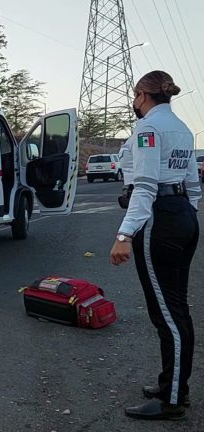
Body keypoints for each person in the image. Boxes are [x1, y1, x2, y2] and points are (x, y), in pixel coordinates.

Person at [109, 71, 201, 420]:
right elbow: (193, 184)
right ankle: (173, 385)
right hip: (181, 216)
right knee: (176, 308)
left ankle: (172, 400)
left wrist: (124, 235)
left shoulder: (147, 128)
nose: (134, 104)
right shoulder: (182, 128)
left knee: (167, 313)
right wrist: (184, 212)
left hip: (159, 219)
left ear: (142, 96)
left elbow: (145, 185)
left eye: (135, 97)